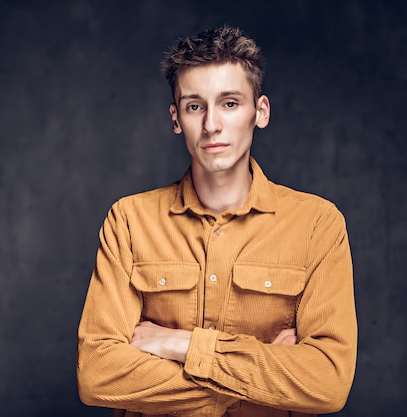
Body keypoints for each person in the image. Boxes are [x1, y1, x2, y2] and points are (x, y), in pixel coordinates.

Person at [77, 25, 357, 417]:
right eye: (195, 106)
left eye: (229, 103)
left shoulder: (318, 225)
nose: (211, 125)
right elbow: (97, 375)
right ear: (176, 118)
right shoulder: (129, 220)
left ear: (260, 112)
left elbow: (326, 382)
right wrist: (258, 381)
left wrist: (181, 345)